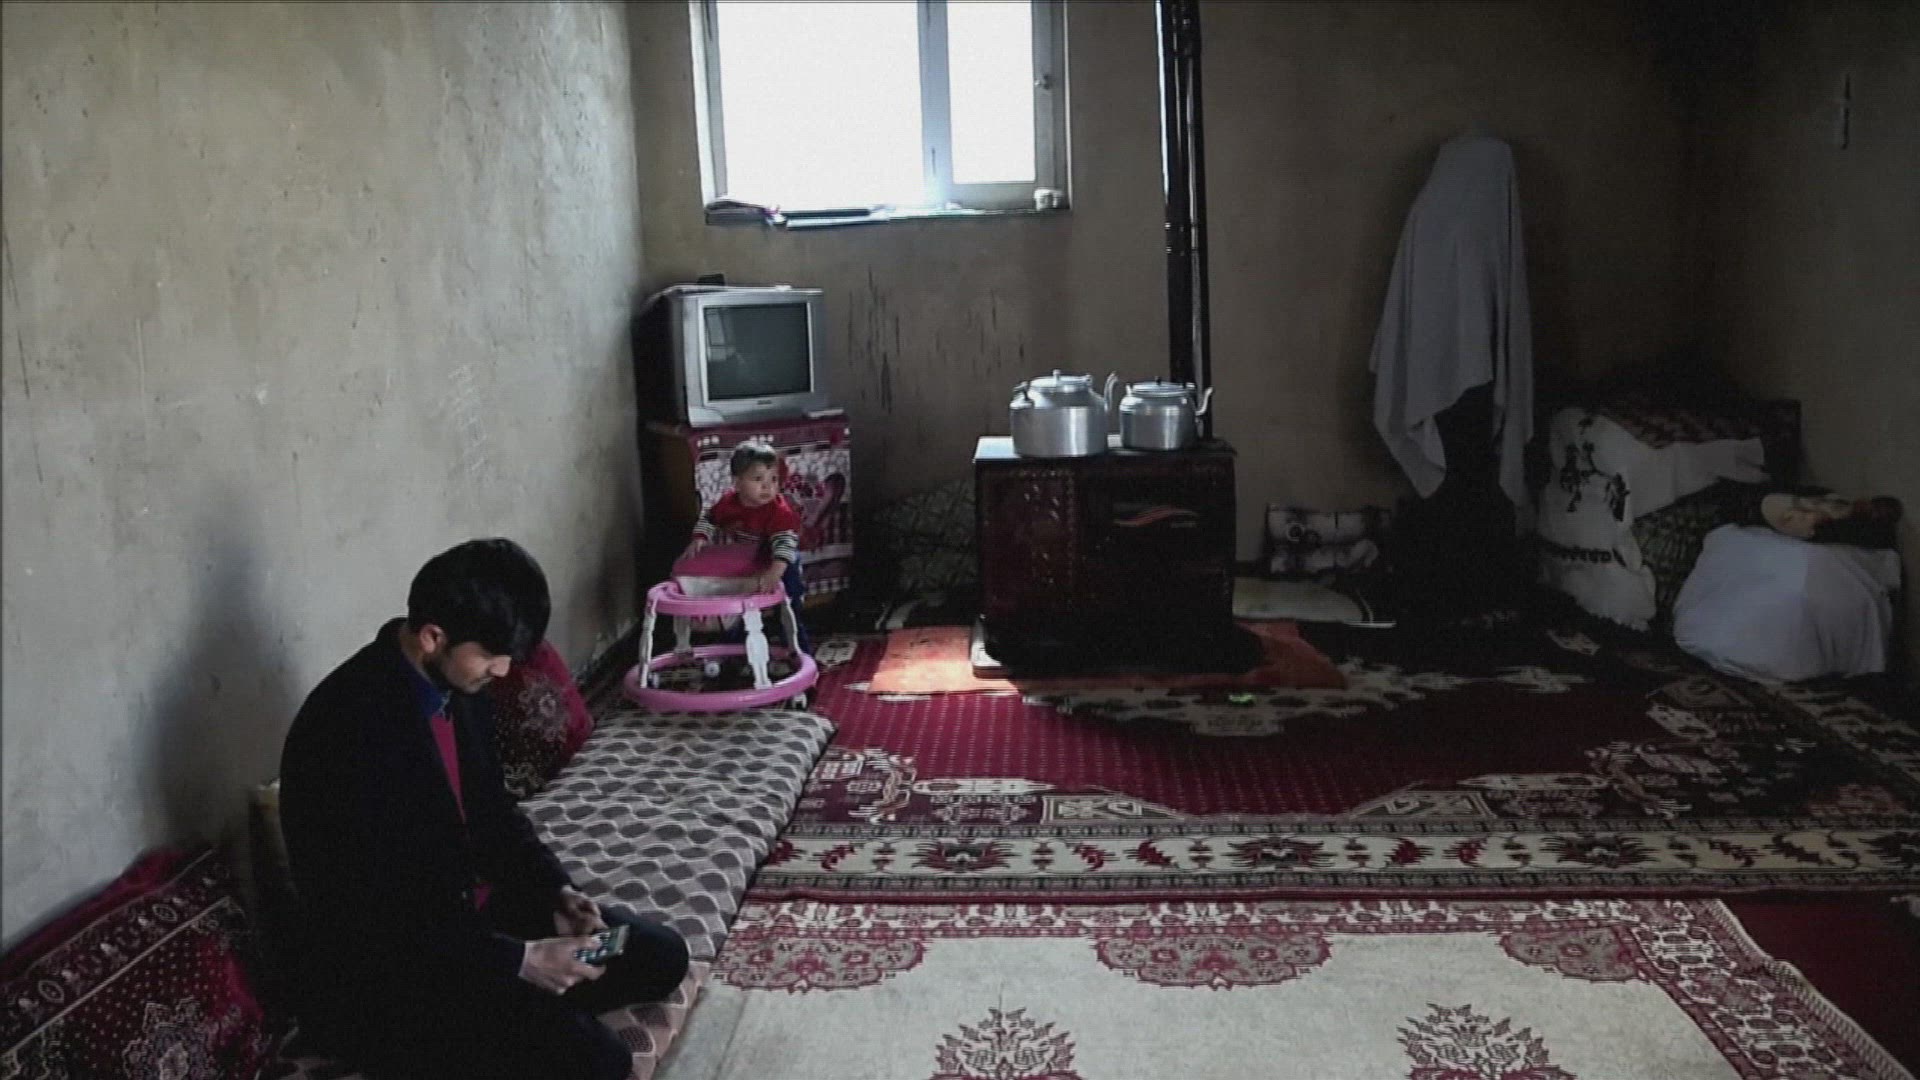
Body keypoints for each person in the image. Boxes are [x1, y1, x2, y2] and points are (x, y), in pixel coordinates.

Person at [279, 538, 689, 1080]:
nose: (502, 670)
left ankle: (529, 1010)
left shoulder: (458, 688)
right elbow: (383, 916)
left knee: (658, 955)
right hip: (399, 970)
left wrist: (556, 893)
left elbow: (493, 815)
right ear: (433, 636)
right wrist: (521, 960)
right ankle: (512, 1018)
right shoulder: (347, 730)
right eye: (492, 655)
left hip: (475, 925)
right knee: (598, 1064)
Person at [682, 440, 812, 654]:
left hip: (782, 561)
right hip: (750, 559)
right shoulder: (728, 503)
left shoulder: (779, 512)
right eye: (758, 479)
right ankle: (735, 645)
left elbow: (784, 547)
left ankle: (799, 650)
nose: (767, 487)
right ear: (737, 483)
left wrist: (775, 573)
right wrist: (700, 537)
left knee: (788, 609)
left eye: (773, 479)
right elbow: (710, 517)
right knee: (742, 606)